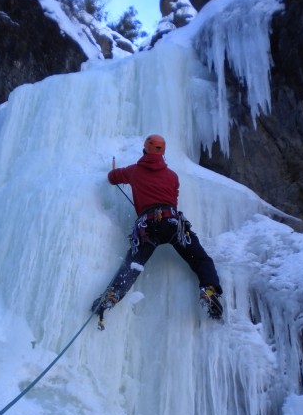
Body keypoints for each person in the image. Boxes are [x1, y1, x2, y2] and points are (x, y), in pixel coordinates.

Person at [92, 134, 223, 328]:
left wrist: (114, 173)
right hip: (172, 224)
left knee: (133, 265)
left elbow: (113, 178)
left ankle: (112, 295)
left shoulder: (134, 171)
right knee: (201, 259)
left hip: (148, 228)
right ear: (163, 153)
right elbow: (173, 199)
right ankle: (209, 289)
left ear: (145, 149)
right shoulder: (172, 176)